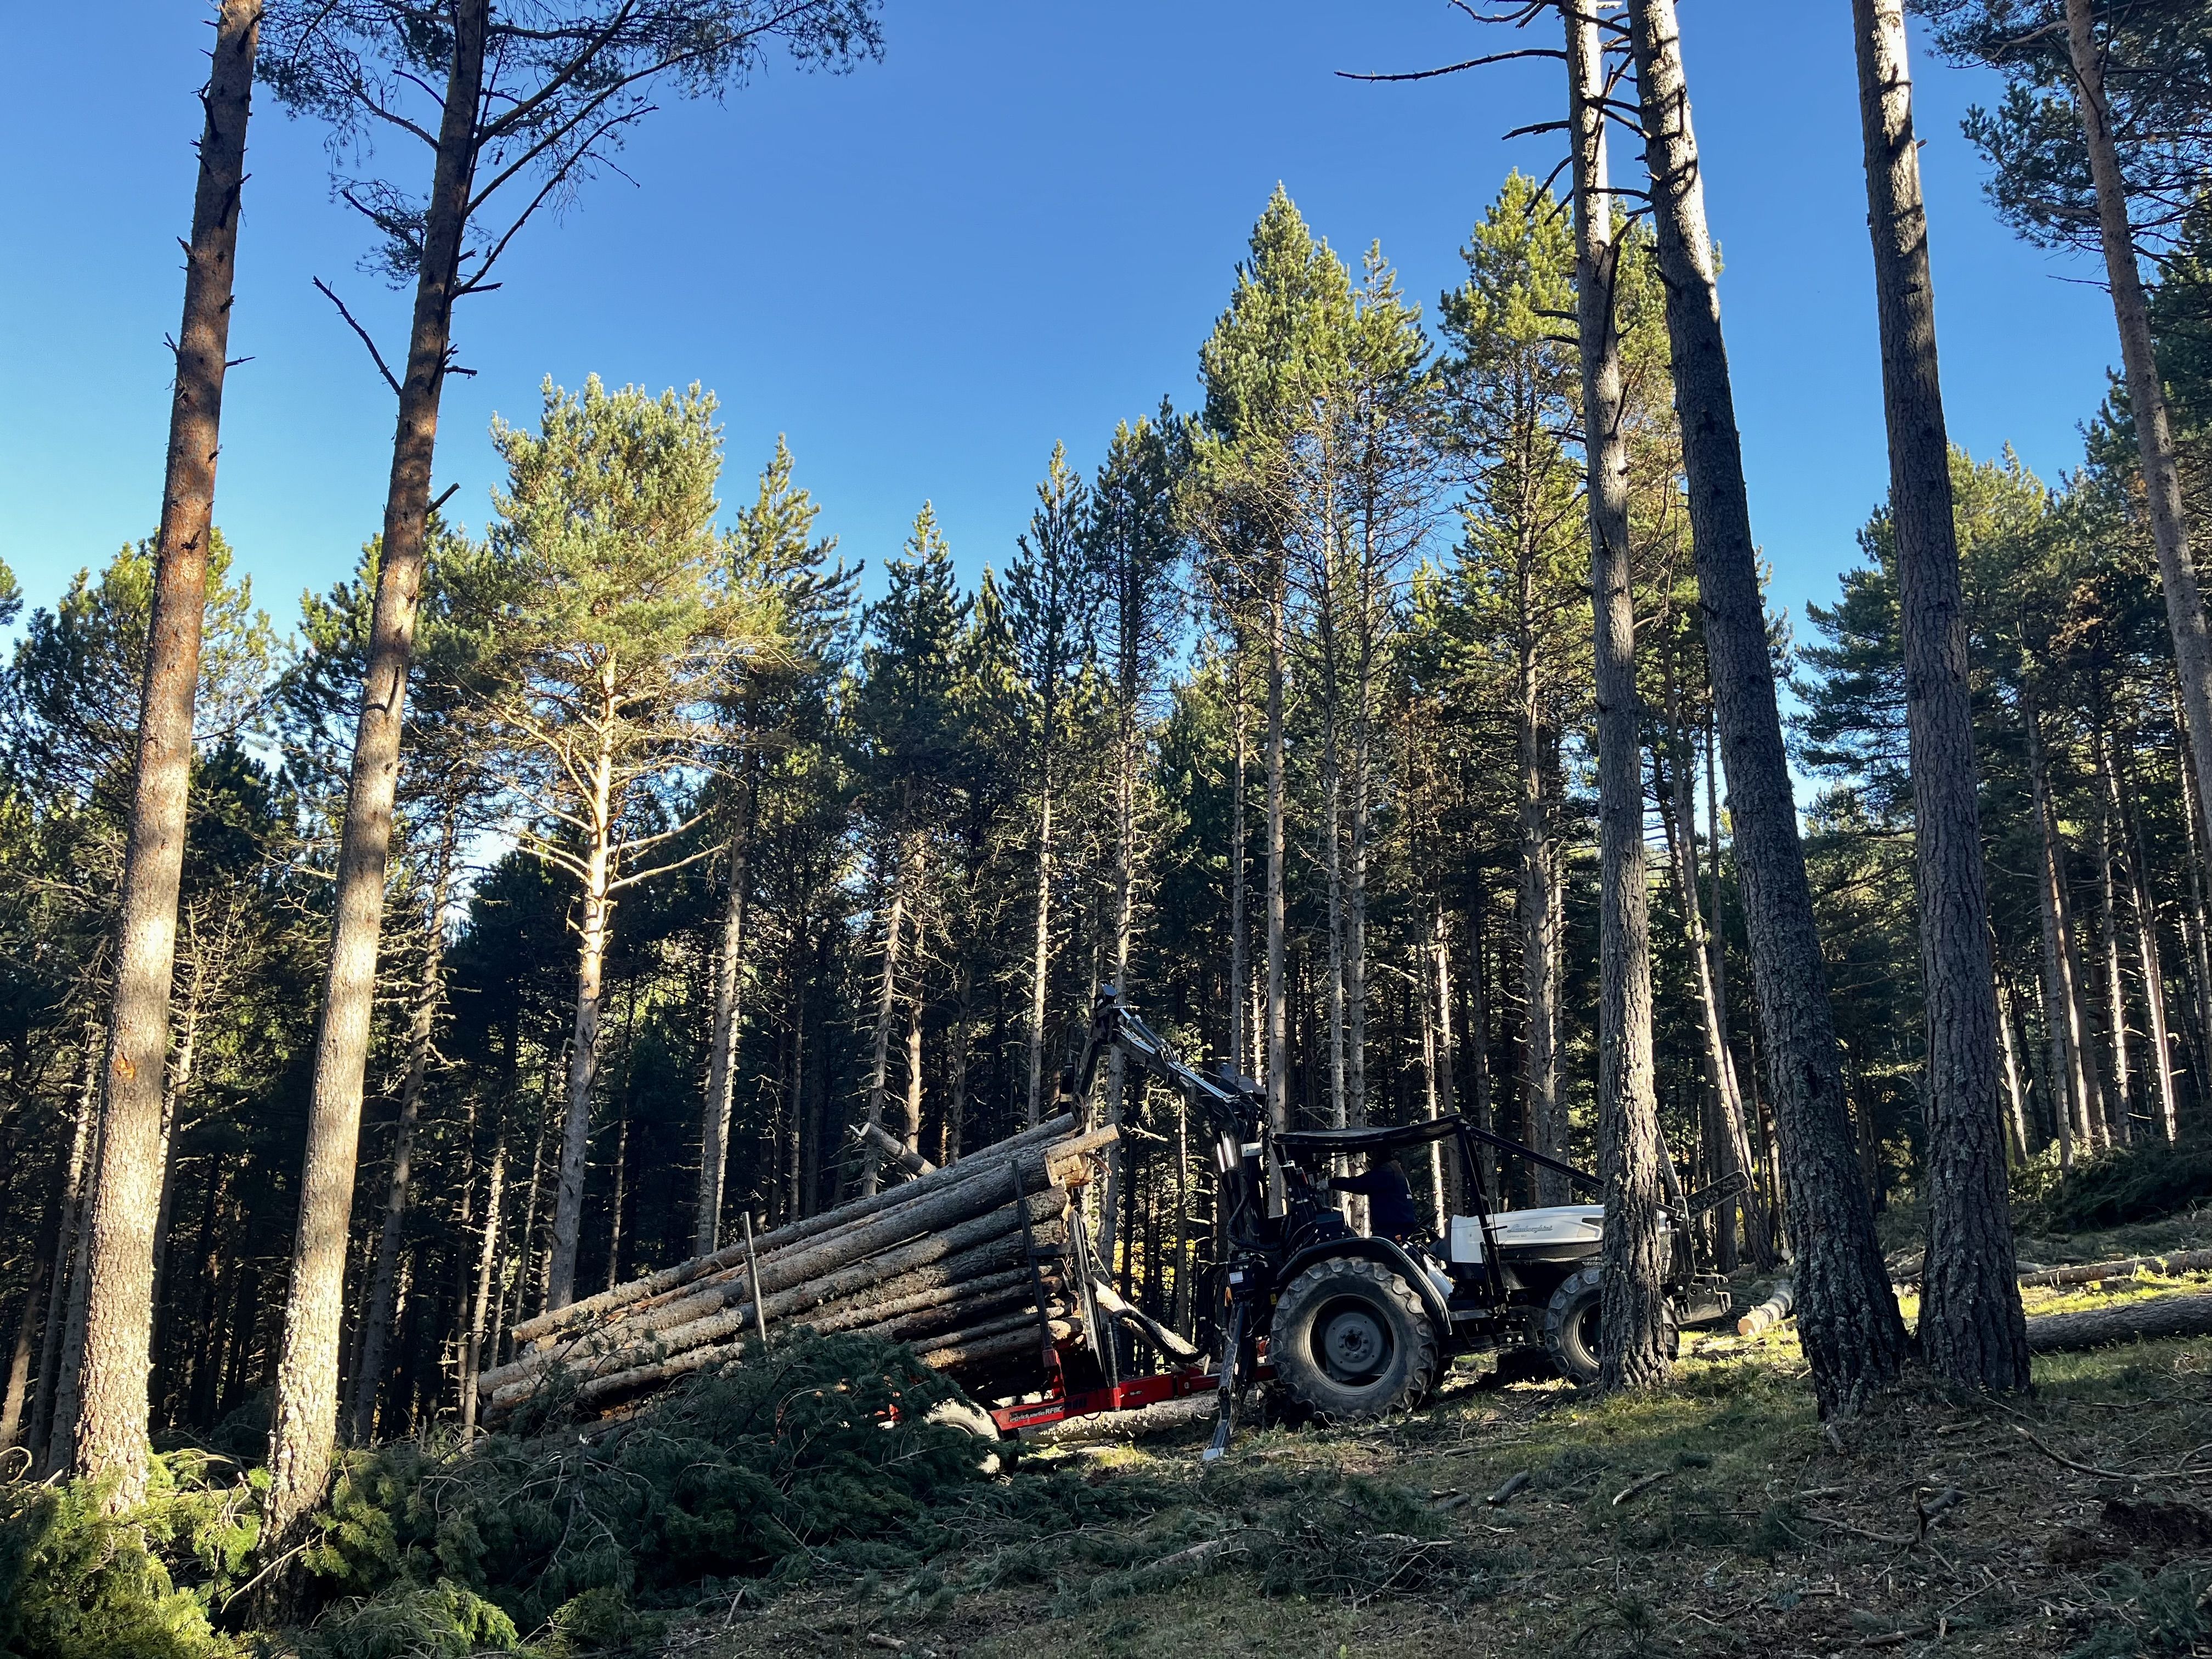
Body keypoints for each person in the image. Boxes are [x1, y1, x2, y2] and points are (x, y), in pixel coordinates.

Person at [1329, 1152, 1420, 1245]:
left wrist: (1330, 1184)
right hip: (1400, 1228)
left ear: (1377, 1155)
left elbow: (1360, 1184)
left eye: (1372, 1155)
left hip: (1393, 1231)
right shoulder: (1394, 1169)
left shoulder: (1385, 1172)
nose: (1371, 1160)